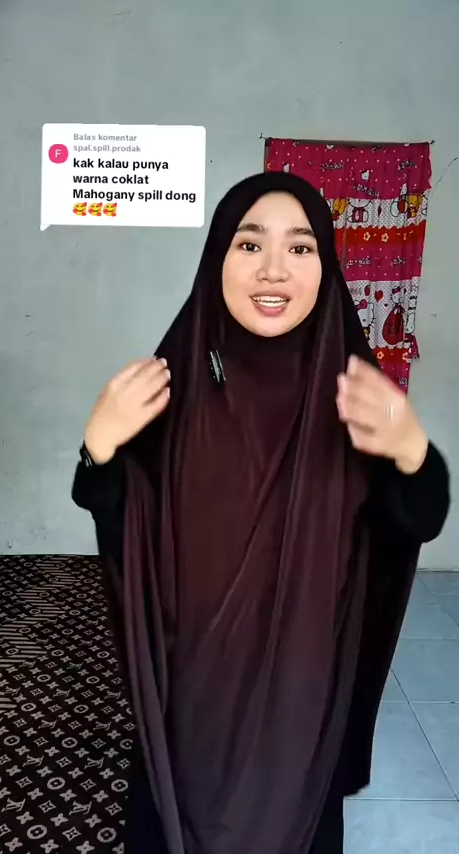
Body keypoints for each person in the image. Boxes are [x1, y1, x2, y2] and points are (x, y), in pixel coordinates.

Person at [72, 172, 450, 854]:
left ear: (325, 269)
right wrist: (99, 449)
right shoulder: (173, 382)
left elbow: (414, 523)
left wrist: (413, 454)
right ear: (217, 258)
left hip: (304, 694)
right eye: (249, 245)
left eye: (301, 248)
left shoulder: (355, 397)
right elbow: (121, 521)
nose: (273, 269)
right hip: (191, 690)